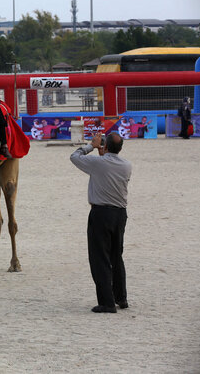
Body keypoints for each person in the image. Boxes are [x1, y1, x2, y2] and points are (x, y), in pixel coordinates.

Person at [70, 132, 132, 313]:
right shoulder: (127, 165)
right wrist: (103, 150)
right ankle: (121, 297)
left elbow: (75, 157)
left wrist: (92, 145)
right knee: (116, 256)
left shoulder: (98, 164)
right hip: (120, 214)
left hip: (101, 213)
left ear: (105, 146)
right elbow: (108, 165)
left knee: (100, 258)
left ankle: (107, 302)